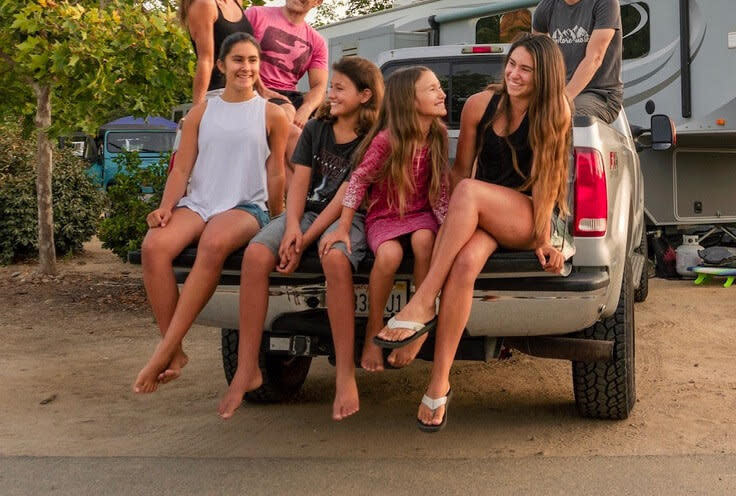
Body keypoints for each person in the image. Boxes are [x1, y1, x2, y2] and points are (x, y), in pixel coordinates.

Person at [373, 33, 571, 431]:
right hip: (482, 212)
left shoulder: (556, 111)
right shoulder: (481, 106)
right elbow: (461, 168)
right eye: (512, 64)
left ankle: (422, 302)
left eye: (526, 70)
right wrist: (448, 226)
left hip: (527, 214)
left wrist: (546, 241)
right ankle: (439, 384)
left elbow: (549, 180)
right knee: (463, 265)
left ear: (545, 76)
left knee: (469, 192)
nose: (514, 74)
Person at [217, 56, 384, 421]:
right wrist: (291, 226)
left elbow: (345, 198)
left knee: (336, 260)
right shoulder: (316, 128)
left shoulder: (373, 137)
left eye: (340, 88)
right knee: (256, 255)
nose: (330, 93)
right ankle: (248, 366)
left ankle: (344, 375)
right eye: (332, 87)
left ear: (365, 95)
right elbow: (300, 184)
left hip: (348, 217)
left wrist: (305, 241)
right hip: (306, 212)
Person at [133, 33, 288, 394]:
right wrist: (165, 207)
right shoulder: (202, 111)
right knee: (153, 247)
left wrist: (278, 218)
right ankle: (176, 352)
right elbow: (181, 168)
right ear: (221, 65)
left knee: (214, 242)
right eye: (237, 60)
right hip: (199, 202)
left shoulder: (271, 114)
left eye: (252, 60)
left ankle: (163, 351)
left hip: (247, 205)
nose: (245, 67)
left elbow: (276, 172)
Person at [321, 66, 450, 374]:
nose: (442, 93)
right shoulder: (386, 140)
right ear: (410, 101)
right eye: (432, 89)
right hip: (385, 216)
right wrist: (342, 227)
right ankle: (374, 328)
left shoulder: (438, 135)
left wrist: (447, 225)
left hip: (421, 214)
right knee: (389, 254)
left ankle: (417, 317)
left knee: (425, 240)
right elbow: (358, 181)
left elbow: (441, 188)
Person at [532, 0, 623, 124]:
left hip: (599, 95)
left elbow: (595, 58)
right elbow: (538, 58)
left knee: (570, 117)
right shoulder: (545, 8)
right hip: (560, 93)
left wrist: (561, 100)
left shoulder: (604, 2)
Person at [245, 0, 329, 167]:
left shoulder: (316, 41)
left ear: (318, 1)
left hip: (289, 96)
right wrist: (259, 89)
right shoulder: (257, 15)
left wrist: (306, 109)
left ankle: (304, 191)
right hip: (254, 90)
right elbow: (234, 56)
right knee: (290, 123)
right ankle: (304, 192)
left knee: (329, 128)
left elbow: (319, 87)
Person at [179, 0, 255, 106]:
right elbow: (206, 60)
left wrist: (263, 89)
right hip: (220, 94)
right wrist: (197, 110)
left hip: (247, 89)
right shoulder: (204, 3)